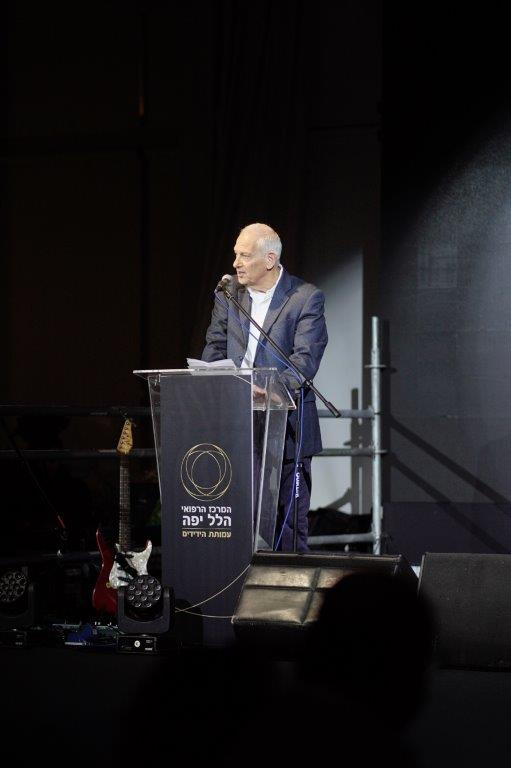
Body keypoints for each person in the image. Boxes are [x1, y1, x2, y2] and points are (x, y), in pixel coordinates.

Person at [202, 222, 328, 552]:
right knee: (240, 518)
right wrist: (213, 379)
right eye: (235, 254)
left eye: (244, 255)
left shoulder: (305, 298)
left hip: (285, 424)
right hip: (236, 420)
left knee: (289, 524)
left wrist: (272, 390)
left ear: (270, 259)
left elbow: (305, 358)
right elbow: (215, 345)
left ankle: (290, 585)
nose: (236, 263)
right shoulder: (228, 293)